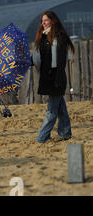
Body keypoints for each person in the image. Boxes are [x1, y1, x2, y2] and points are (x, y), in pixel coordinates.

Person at [33, 11, 74, 143]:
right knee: (60, 106)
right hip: (47, 77)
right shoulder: (43, 37)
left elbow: (60, 61)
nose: (43, 23)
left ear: (53, 20)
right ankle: (65, 133)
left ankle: (42, 137)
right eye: (42, 21)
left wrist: (58, 78)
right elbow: (40, 59)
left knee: (51, 110)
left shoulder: (59, 36)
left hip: (56, 77)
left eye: (45, 20)